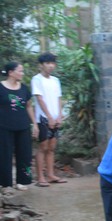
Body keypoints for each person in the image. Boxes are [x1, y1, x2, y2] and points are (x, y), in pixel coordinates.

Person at [0, 62, 38, 191]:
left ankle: (22, 181)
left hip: (23, 126)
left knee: (25, 154)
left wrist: (35, 124)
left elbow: (28, 106)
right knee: (4, 155)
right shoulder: (0, 87)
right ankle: (6, 183)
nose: (22, 73)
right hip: (4, 127)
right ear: (11, 72)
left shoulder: (23, 88)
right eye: (20, 71)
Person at [31, 52, 66, 187]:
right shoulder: (37, 79)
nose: (51, 66)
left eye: (52, 63)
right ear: (41, 65)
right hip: (43, 118)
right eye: (47, 63)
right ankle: (40, 177)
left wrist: (59, 115)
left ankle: (51, 175)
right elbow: (39, 99)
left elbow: (58, 98)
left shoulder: (55, 80)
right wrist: (49, 117)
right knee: (43, 147)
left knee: (52, 147)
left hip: (55, 118)